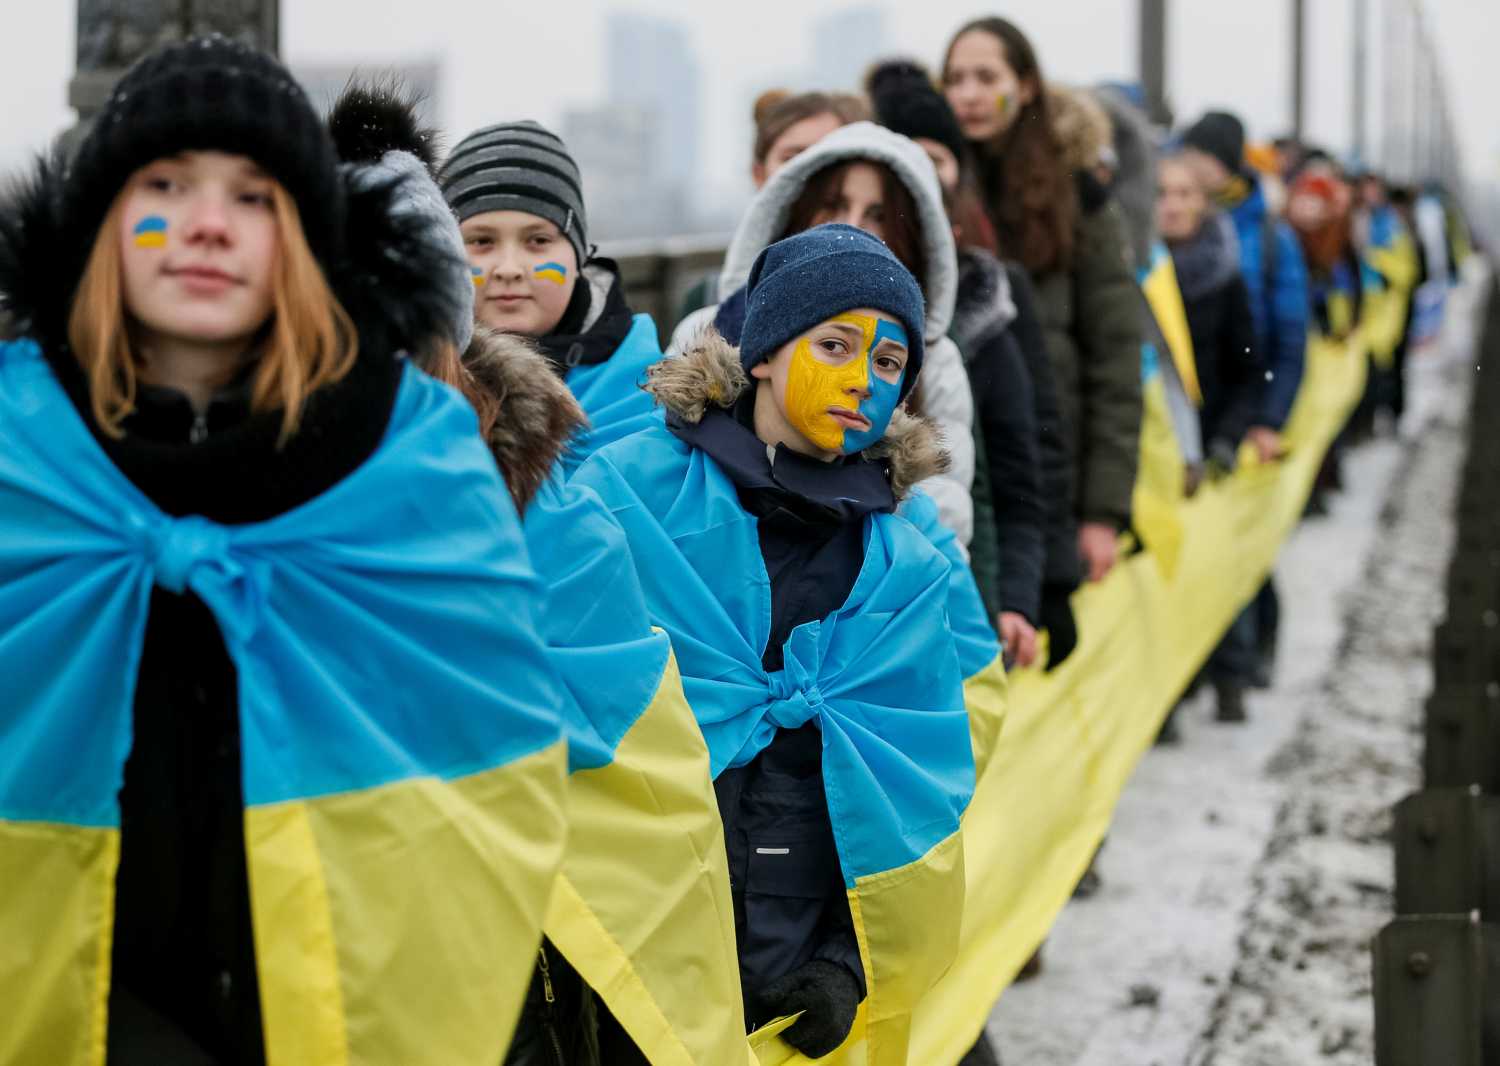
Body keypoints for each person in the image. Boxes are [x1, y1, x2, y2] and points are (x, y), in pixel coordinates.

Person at [0, 37, 569, 1064]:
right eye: (164, 186)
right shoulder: (17, 465)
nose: (208, 223)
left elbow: (494, 785)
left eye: (256, 196)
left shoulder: (412, 470)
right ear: (102, 226)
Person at [574, 225, 975, 1059]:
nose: (862, 380)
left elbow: (915, 782)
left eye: (890, 364)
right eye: (836, 344)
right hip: (629, 942)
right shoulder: (623, 496)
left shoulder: (901, 559)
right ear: (763, 352)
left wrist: (844, 963)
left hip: (785, 960)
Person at [670, 120, 979, 553]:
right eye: (833, 205)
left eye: (878, 214)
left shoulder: (939, 361)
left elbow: (945, 527)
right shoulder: (707, 329)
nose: (854, 225)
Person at [867, 56, 1064, 667]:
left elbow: (1014, 460)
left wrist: (1028, 591)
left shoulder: (986, 302)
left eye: (934, 161)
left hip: (956, 593)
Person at [942, 17, 1144, 608]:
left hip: (1058, 479)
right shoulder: (931, 192)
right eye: (955, 78)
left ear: (1026, 85)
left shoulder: (1079, 198)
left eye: (987, 76)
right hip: (968, 466)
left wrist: (1102, 513)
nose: (970, 95)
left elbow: (1115, 361)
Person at [439, 120, 664, 471]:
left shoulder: (651, 394)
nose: (509, 268)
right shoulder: (412, 390)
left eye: (538, 241)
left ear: (579, 256)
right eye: (482, 241)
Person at [1181, 110, 1310, 689]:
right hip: (1194, 408)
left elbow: (1289, 337)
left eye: (1203, 159)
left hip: (1248, 402)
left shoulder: (1269, 236)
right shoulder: (1175, 222)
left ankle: (1252, 653)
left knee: (1246, 546)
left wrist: (1269, 418)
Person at [1157, 152, 1265, 722]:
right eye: (1163, 193)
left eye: (1185, 194)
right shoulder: (1136, 275)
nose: (1172, 204)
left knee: (1220, 569)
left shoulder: (1226, 278)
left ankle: (1232, 678)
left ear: (1203, 204)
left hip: (1213, 450)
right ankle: (1166, 699)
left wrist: (1224, 442)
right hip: (1158, 456)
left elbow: (1250, 369)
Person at [677, 90, 872, 325]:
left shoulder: (882, 286)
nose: (810, 171)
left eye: (829, 159)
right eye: (792, 158)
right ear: (758, 173)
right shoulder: (709, 300)